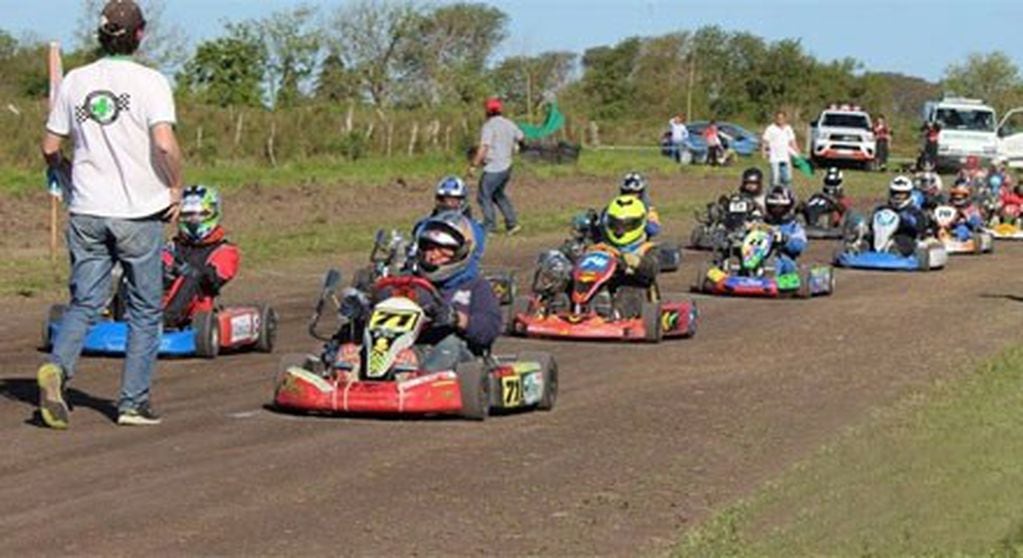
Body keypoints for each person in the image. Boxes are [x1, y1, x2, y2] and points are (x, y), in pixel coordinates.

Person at [38, 0, 181, 428]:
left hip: (86, 209)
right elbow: (163, 143)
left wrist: (60, 169)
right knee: (143, 309)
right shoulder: (151, 81)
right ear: (140, 35)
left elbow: (49, 146)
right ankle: (132, 403)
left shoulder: (76, 80)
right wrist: (175, 184)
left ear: (100, 34)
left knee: (85, 301)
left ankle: (59, 370)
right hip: (138, 211)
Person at [410, 213, 502, 372]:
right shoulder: (412, 283)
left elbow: (490, 328)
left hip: (462, 360)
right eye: (429, 248)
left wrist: (456, 318)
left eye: (443, 250)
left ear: (461, 252)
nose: (433, 256)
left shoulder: (476, 286)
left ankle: (422, 380)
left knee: (450, 344)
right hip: (415, 349)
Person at [162, 185, 239, 329]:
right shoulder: (173, 246)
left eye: (199, 214)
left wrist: (185, 270)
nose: (193, 220)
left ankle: (165, 320)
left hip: (197, 309)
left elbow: (214, 278)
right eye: (187, 215)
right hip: (160, 301)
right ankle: (122, 316)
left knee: (193, 275)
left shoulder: (224, 250)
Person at [469, 97, 524, 236]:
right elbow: (521, 138)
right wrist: (515, 148)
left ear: (487, 111)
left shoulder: (489, 126)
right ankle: (512, 223)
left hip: (494, 167)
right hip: (507, 166)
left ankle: (490, 226)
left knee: (483, 196)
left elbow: (484, 147)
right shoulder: (509, 124)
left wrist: (474, 165)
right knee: (498, 194)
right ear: (500, 110)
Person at [600, 195, 660, 317]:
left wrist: (636, 262)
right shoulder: (603, 245)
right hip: (604, 286)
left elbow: (653, 268)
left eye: (626, 226)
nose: (620, 231)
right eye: (616, 225)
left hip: (636, 290)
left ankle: (617, 315)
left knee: (630, 291)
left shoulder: (647, 248)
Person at [763, 186, 807, 275]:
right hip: (760, 256)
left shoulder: (793, 226)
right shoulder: (762, 223)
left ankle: (769, 277)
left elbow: (800, 246)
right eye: (773, 207)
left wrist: (785, 239)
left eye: (781, 208)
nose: (777, 211)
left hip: (783, 257)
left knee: (778, 264)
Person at [761, 111, 800, 188]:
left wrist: (797, 151)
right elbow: (765, 141)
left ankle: (786, 193)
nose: (780, 120)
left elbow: (792, 141)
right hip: (774, 157)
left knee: (787, 178)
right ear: (775, 119)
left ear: (785, 119)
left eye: (782, 118)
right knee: (775, 178)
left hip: (785, 157)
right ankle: (772, 192)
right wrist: (763, 152)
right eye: (778, 118)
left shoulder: (788, 128)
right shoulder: (770, 128)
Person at [618, 172, 661, 237]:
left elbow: (654, 230)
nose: (631, 196)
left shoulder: (648, 208)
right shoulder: (617, 206)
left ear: (641, 193)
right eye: (628, 193)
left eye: (634, 193)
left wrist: (639, 221)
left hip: (639, 243)